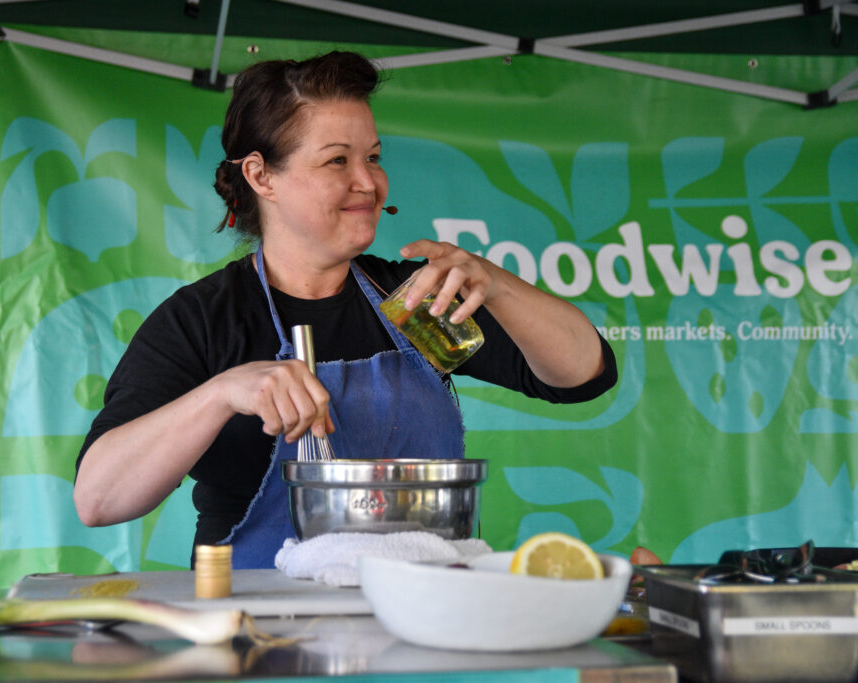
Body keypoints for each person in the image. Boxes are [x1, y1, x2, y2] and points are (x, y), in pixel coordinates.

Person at [74, 51, 617, 569]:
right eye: (338, 160)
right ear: (262, 176)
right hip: (255, 630)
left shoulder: (413, 299)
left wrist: (496, 283)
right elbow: (98, 500)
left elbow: (582, 374)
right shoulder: (203, 320)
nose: (370, 182)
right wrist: (222, 393)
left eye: (373, 157)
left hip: (415, 620)